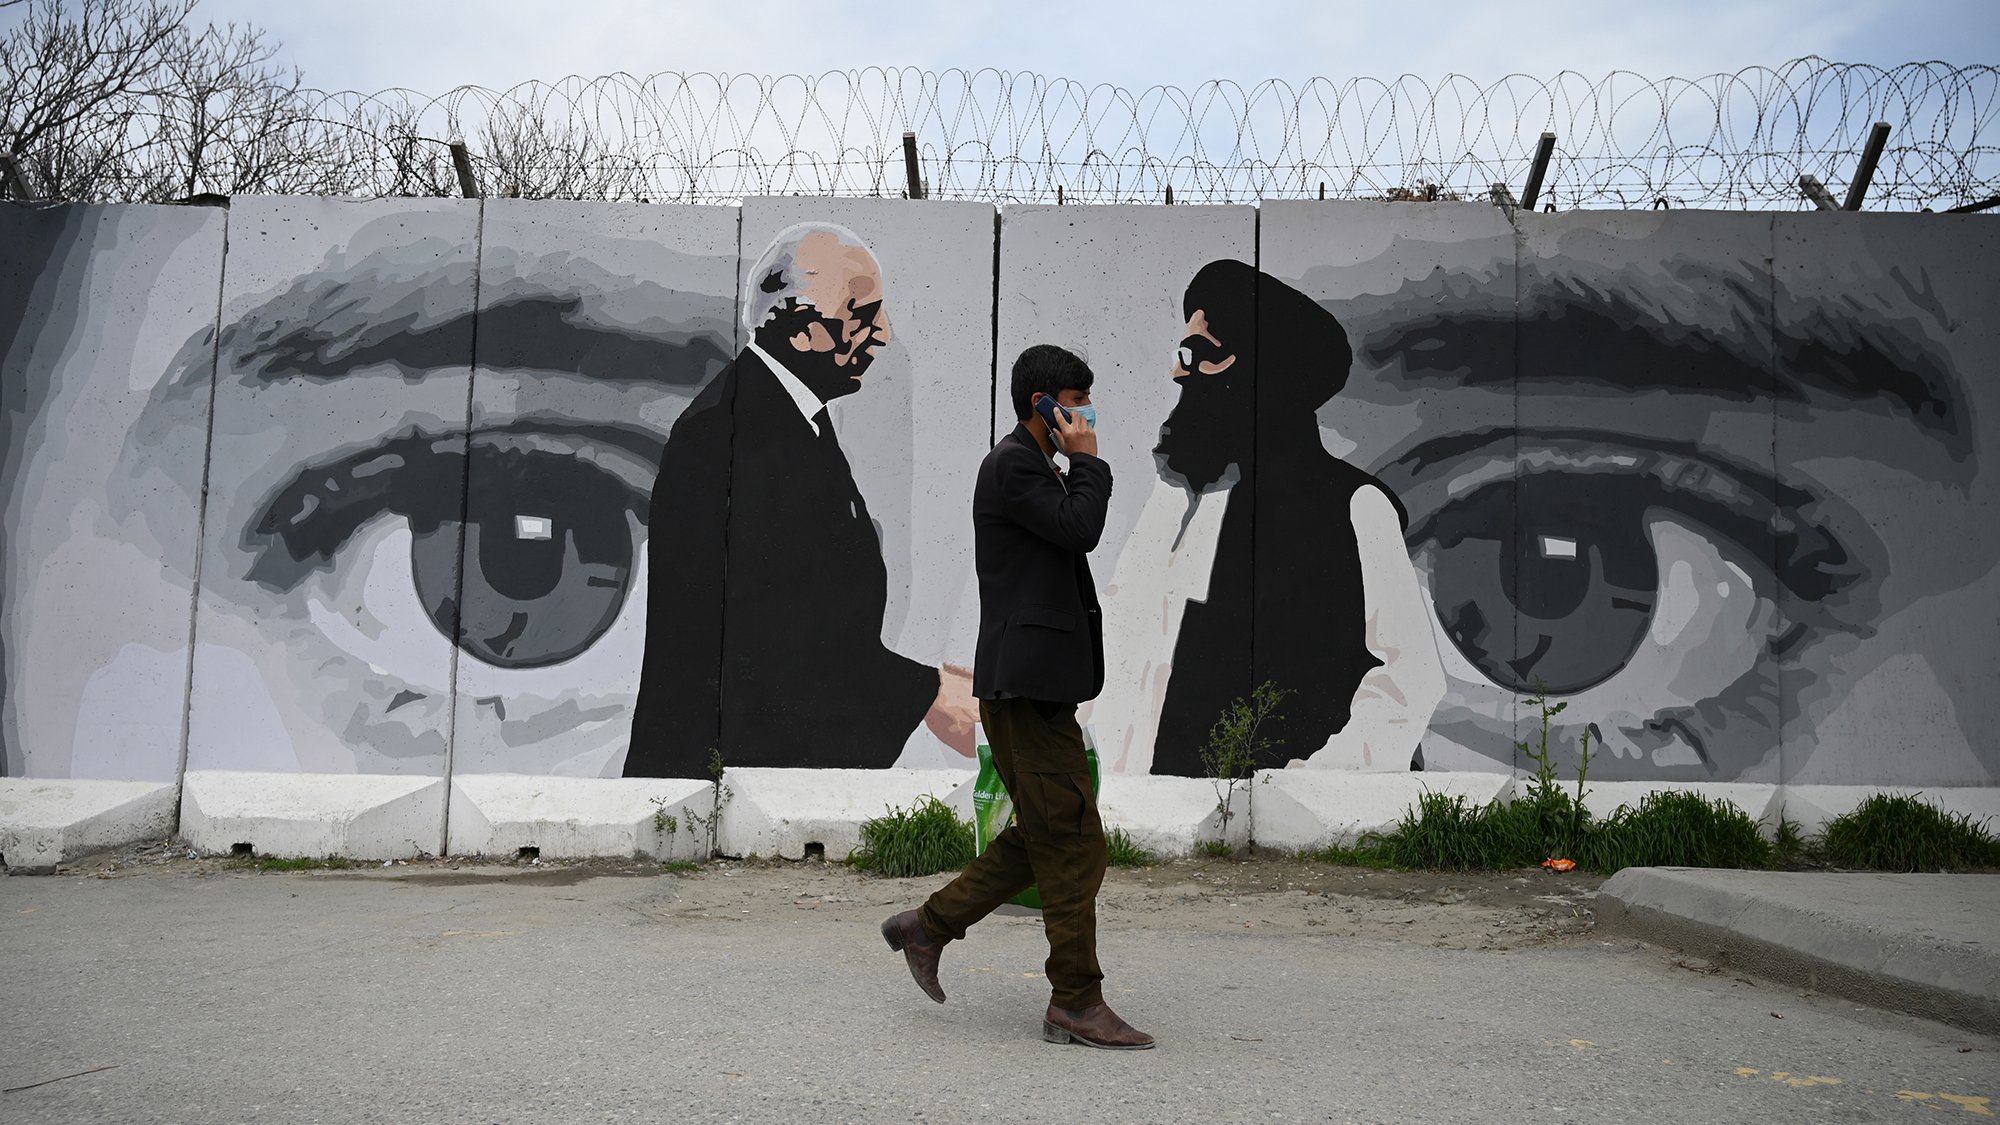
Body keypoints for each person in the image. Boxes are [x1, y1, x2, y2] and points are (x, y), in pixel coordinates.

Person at [881, 344, 1153, 1051]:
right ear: (1042, 404)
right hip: (1022, 684)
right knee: (1071, 839)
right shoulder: (1011, 466)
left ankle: (928, 924)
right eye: (1075, 399)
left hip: (1040, 683)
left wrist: (1077, 463)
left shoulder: (1039, 469)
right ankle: (1075, 999)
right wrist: (1090, 459)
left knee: (1047, 833)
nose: (1086, 413)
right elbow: (1080, 530)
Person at [625, 222, 946, 777]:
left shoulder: (786, 415)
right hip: (722, 780)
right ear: (801, 330)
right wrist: (924, 695)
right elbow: (772, 635)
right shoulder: (725, 435)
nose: (884, 334)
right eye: (862, 314)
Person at [1145, 260, 1446, 775]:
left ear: (1265, 372)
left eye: (1200, 354)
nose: (1179, 371)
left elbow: (1410, 676)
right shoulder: (1194, 508)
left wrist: (1304, 790)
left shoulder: (1356, 505)